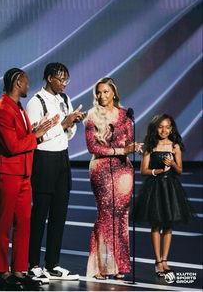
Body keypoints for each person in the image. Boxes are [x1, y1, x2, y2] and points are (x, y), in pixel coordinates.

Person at [0, 67, 58, 290]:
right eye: (27, 82)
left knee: (23, 224)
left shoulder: (17, 107)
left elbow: (22, 138)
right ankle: (4, 272)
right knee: (4, 224)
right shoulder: (2, 109)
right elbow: (11, 146)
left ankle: (19, 270)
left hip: (23, 173)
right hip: (8, 172)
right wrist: (36, 136)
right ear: (18, 82)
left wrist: (36, 130)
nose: (29, 86)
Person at [26, 62, 86, 281]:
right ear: (50, 78)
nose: (64, 84)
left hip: (62, 158)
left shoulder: (64, 100)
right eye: (61, 79)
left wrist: (71, 124)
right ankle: (32, 264)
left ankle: (52, 264)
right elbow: (36, 136)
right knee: (40, 213)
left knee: (59, 214)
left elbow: (68, 135)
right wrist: (63, 125)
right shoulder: (36, 102)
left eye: (66, 80)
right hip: (43, 159)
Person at [85, 77, 143, 279]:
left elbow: (128, 141)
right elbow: (93, 147)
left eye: (106, 92)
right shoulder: (92, 116)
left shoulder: (126, 115)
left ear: (114, 93)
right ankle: (102, 266)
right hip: (101, 169)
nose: (102, 96)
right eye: (98, 92)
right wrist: (121, 149)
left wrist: (133, 147)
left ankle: (120, 265)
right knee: (105, 214)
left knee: (121, 216)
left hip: (123, 171)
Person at [134, 114, 194, 277]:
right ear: (155, 128)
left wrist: (172, 163)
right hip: (154, 187)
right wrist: (157, 171)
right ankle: (158, 262)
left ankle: (165, 260)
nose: (164, 130)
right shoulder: (150, 146)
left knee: (169, 225)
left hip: (170, 188)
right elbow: (143, 170)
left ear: (172, 129)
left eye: (167, 127)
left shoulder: (175, 146)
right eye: (161, 126)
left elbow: (180, 170)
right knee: (156, 224)